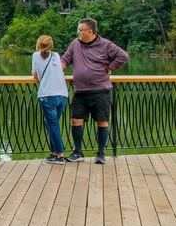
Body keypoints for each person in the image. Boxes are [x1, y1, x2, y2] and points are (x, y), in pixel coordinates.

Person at [60, 18, 128, 164]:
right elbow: (65, 59)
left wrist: (111, 67)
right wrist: (55, 69)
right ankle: (78, 152)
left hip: (100, 91)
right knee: (75, 120)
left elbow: (123, 56)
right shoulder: (75, 44)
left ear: (89, 32)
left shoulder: (105, 44)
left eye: (80, 30)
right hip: (80, 91)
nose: (78, 32)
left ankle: (101, 153)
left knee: (102, 122)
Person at [32, 35, 68, 165]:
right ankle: (54, 153)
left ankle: (59, 155)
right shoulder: (56, 55)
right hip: (62, 95)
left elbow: (35, 75)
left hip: (47, 95)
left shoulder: (36, 55)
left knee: (52, 125)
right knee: (50, 124)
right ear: (51, 45)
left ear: (38, 44)